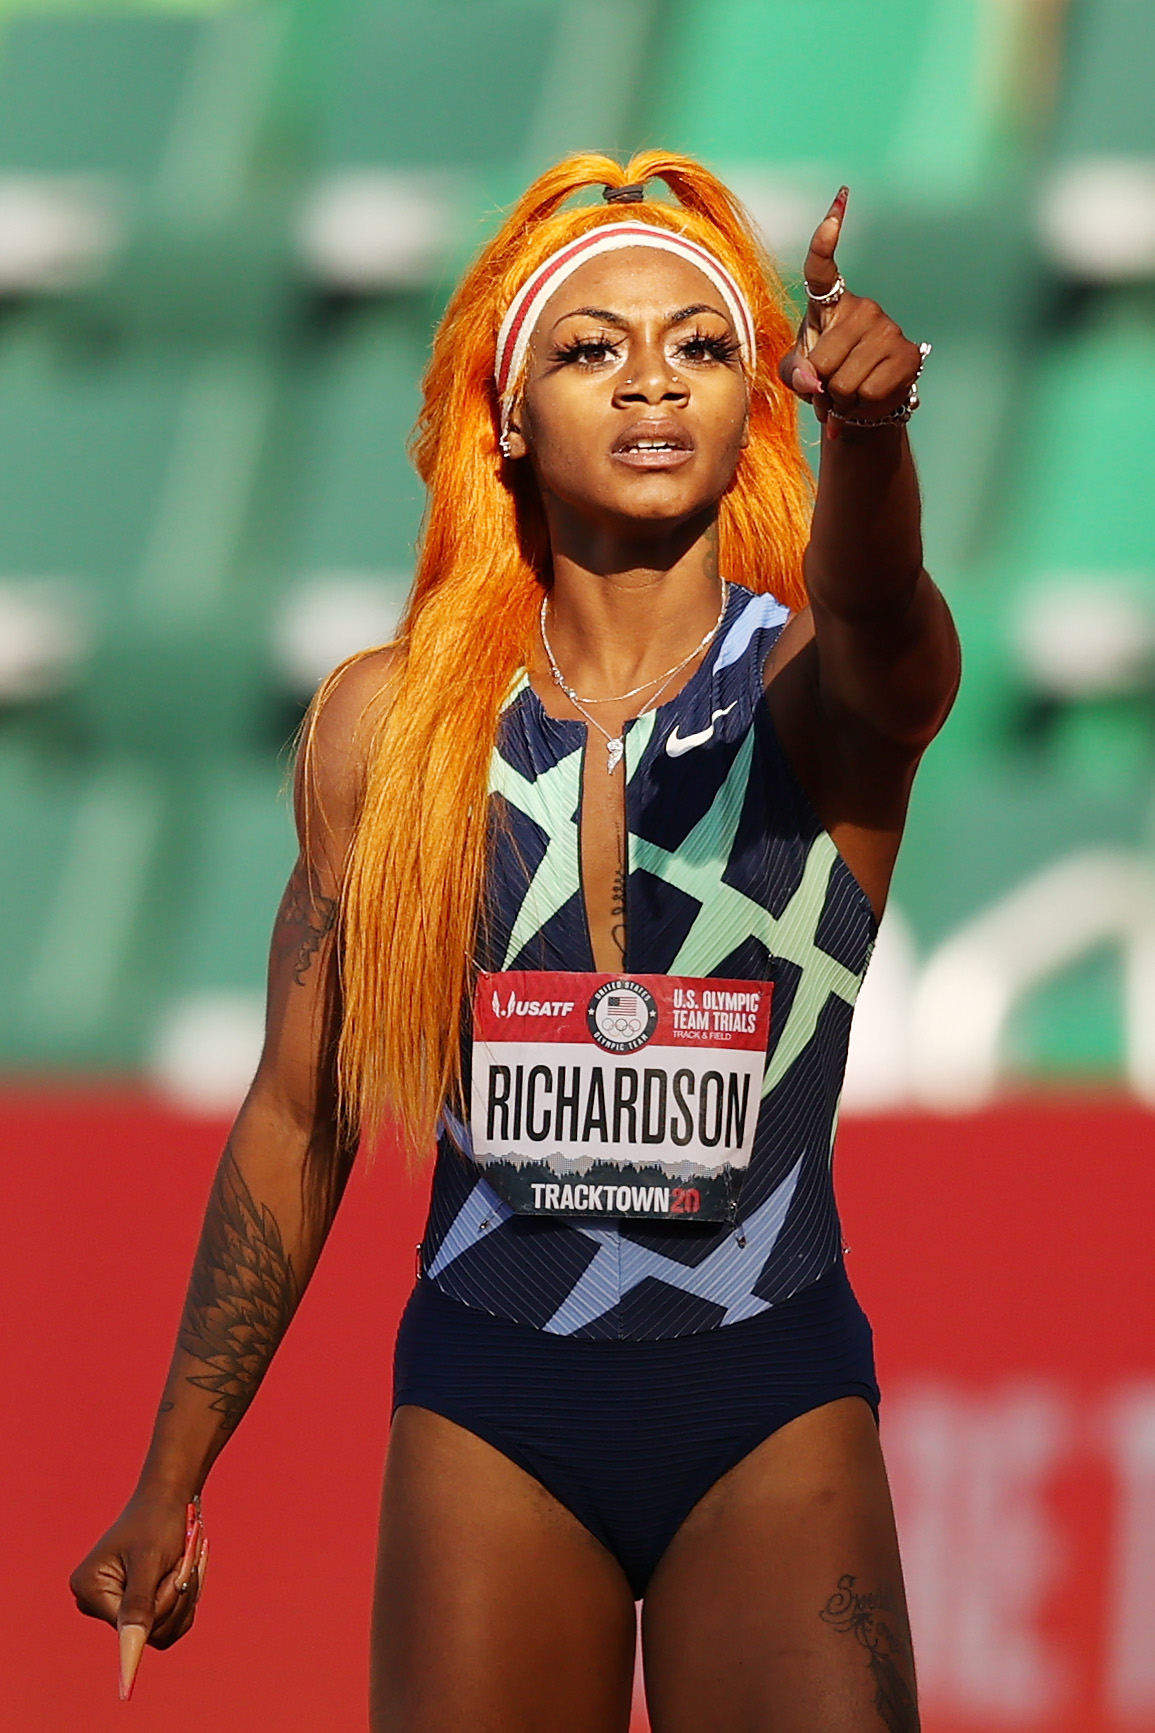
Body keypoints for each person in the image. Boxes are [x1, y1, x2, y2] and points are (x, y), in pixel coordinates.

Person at [71, 151, 959, 1732]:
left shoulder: (817, 695)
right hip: (495, 1399)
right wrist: (171, 1477)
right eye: (590, 347)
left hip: (766, 1390)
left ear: (754, 406)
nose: (649, 383)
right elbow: (299, 1112)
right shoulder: (389, 729)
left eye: (699, 346)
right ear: (503, 413)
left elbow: (890, 615)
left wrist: (873, 438)